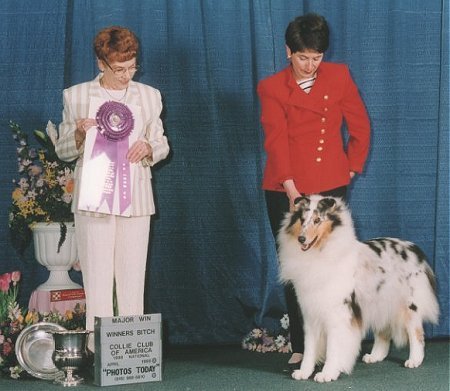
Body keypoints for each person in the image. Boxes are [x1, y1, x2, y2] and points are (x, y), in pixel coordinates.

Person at [257, 13, 370, 369]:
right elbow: (275, 140)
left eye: (317, 58)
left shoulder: (339, 76)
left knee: (333, 265)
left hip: (331, 183)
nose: (310, 65)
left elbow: (360, 123)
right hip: (285, 185)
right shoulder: (272, 87)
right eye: (303, 57)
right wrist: (291, 188)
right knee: (296, 266)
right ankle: (302, 345)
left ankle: (338, 340)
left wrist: (350, 167)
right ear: (288, 51)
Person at [55, 26, 170, 352]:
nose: (127, 75)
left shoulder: (149, 96)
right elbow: (62, 151)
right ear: (101, 63)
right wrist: (77, 134)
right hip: (93, 199)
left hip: (136, 197)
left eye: (132, 67)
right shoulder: (76, 96)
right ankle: (97, 351)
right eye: (119, 69)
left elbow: (162, 145)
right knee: (97, 278)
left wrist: (149, 148)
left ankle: (132, 352)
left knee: (133, 277)